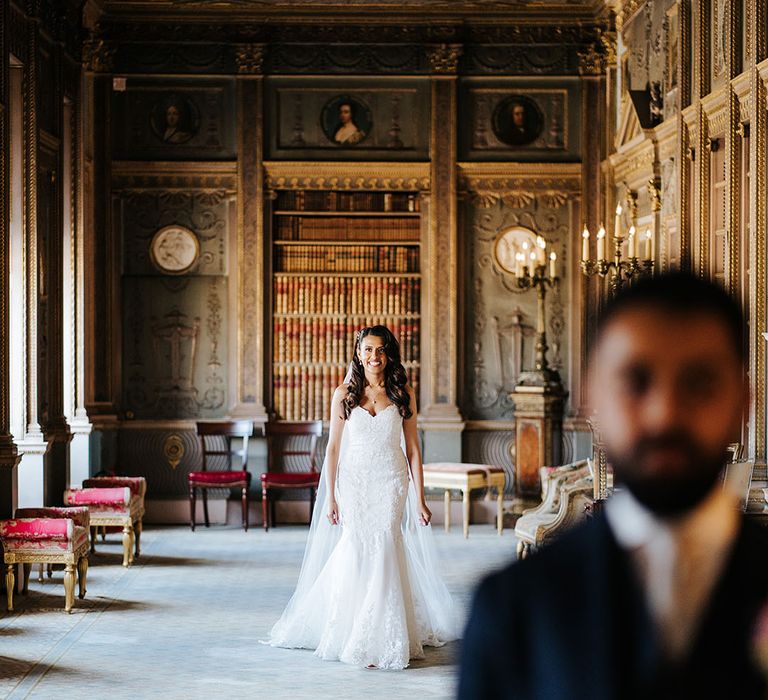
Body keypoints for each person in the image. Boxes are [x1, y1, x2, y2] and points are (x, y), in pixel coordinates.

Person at [458, 272, 768, 699]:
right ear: (593, 396)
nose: (664, 415)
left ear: (743, 401)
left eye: (699, 383)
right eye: (636, 382)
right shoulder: (512, 607)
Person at [265, 325, 459, 669]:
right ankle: (350, 626)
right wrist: (332, 498)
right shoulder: (344, 394)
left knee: (386, 541)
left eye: (381, 350)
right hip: (354, 481)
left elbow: (413, 448)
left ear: (389, 354)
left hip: (391, 479)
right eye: (368, 350)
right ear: (358, 353)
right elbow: (334, 447)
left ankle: (380, 636)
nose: (374, 357)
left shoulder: (403, 393)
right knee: (355, 545)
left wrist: (420, 499)